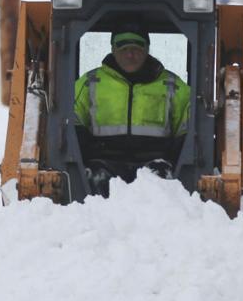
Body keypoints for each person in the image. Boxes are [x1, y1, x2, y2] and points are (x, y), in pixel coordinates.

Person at [73, 22, 191, 195]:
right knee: (94, 187)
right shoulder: (89, 82)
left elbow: (187, 131)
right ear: (112, 49)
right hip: (103, 162)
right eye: (123, 48)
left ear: (147, 49)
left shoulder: (173, 86)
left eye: (136, 48)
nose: (130, 54)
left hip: (155, 163)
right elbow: (72, 122)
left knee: (162, 194)